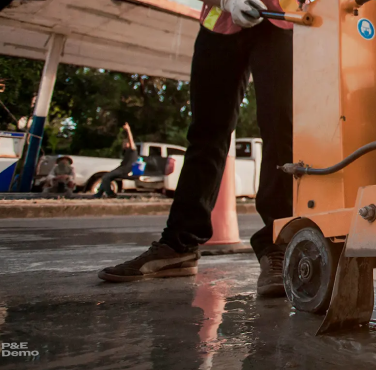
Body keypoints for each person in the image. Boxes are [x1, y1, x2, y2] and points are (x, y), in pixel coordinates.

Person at [97, 0, 295, 298]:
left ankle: (278, 246)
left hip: (283, 21)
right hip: (220, 24)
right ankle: (178, 244)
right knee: (206, 134)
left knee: (281, 131)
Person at [94, 122, 138, 198]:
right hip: (121, 168)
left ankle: (110, 194)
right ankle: (99, 193)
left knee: (106, 177)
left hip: (125, 169)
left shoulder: (133, 150)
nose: (123, 144)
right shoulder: (126, 152)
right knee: (106, 177)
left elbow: (131, 140)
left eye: (125, 143)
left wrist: (128, 130)